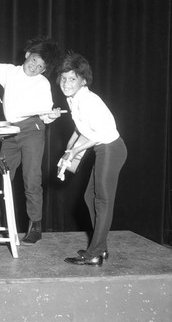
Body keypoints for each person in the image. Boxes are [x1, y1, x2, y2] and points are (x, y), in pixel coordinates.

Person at [0, 36, 62, 245]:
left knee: (32, 178)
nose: (35, 67)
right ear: (27, 55)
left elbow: (46, 113)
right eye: (34, 61)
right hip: (10, 132)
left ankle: (35, 225)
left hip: (33, 129)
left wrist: (52, 115)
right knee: (0, 176)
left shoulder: (43, 83)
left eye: (41, 66)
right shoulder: (9, 72)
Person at [57, 52, 127, 266]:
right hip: (103, 149)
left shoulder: (88, 100)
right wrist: (69, 147)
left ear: (83, 81)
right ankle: (100, 247)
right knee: (90, 198)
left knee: (102, 201)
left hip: (110, 148)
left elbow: (97, 134)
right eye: (64, 78)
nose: (66, 83)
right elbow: (81, 127)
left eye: (72, 79)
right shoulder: (74, 99)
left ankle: (95, 253)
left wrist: (74, 152)